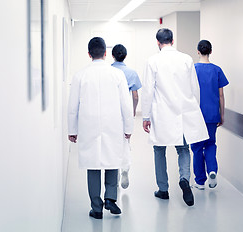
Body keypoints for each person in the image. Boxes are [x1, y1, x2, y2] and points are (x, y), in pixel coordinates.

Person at [68, 37, 134, 219]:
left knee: (93, 165)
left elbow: (73, 106)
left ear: (89, 54)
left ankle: (96, 208)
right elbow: (126, 105)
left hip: (88, 125)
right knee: (113, 160)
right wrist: (129, 127)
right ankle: (111, 198)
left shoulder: (80, 75)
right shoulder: (117, 74)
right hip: (112, 123)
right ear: (105, 53)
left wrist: (72, 130)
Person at [142, 28, 209, 206]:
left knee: (159, 150)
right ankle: (185, 179)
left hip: (161, 113)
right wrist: (194, 112)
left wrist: (145, 116)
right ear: (172, 40)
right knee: (183, 149)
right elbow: (195, 88)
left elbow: (148, 90)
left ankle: (163, 189)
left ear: (158, 42)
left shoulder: (153, 61)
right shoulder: (186, 59)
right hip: (184, 113)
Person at [191, 40, 229, 190]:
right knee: (211, 144)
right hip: (213, 114)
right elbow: (221, 95)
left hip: (196, 115)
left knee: (197, 147)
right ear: (211, 52)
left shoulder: (193, 70)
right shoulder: (217, 70)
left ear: (198, 51)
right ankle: (212, 170)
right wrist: (222, 114)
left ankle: (200, 181)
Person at [111, 44, 142, 189]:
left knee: (111, 143)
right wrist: (133, 110)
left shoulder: (109, 71)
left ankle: (114, 172)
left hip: (111, 113)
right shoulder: (131, 72)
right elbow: (135, 96)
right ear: (125, 56)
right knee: (125, 142)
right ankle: (125, 169)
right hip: (126, 112)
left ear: (112, 56)